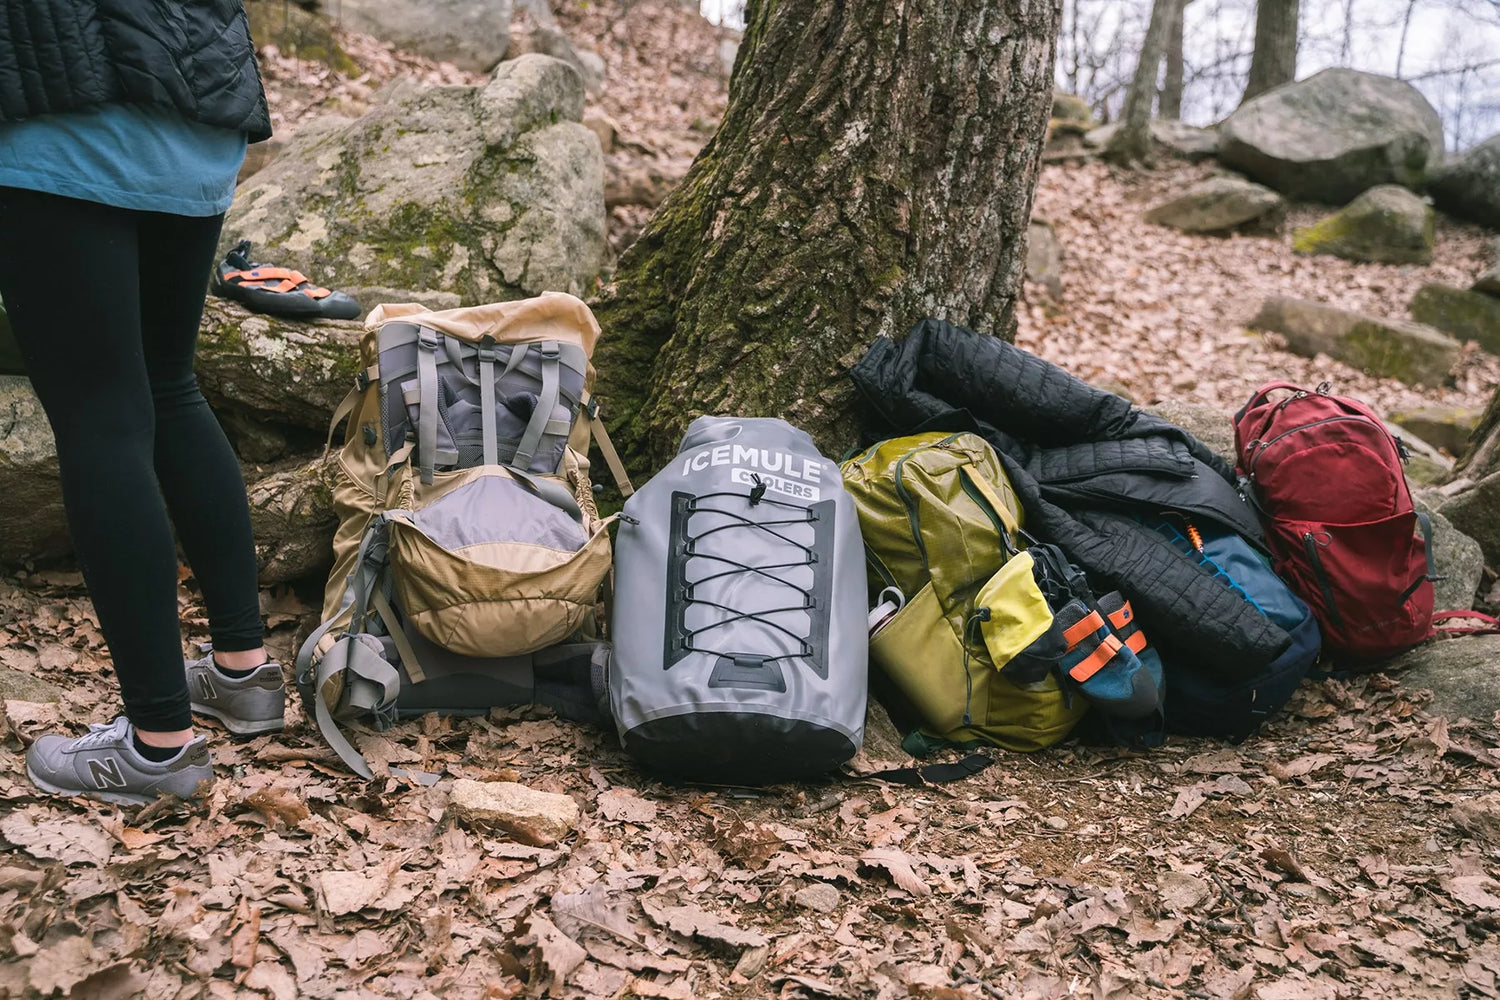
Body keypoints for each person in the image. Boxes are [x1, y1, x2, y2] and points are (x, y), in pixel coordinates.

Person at [0, 1, 285, 805]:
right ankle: (243, 675)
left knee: (100, 416)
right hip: (193, 121)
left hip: (62, 119)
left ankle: (158, 745)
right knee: (168, 384)